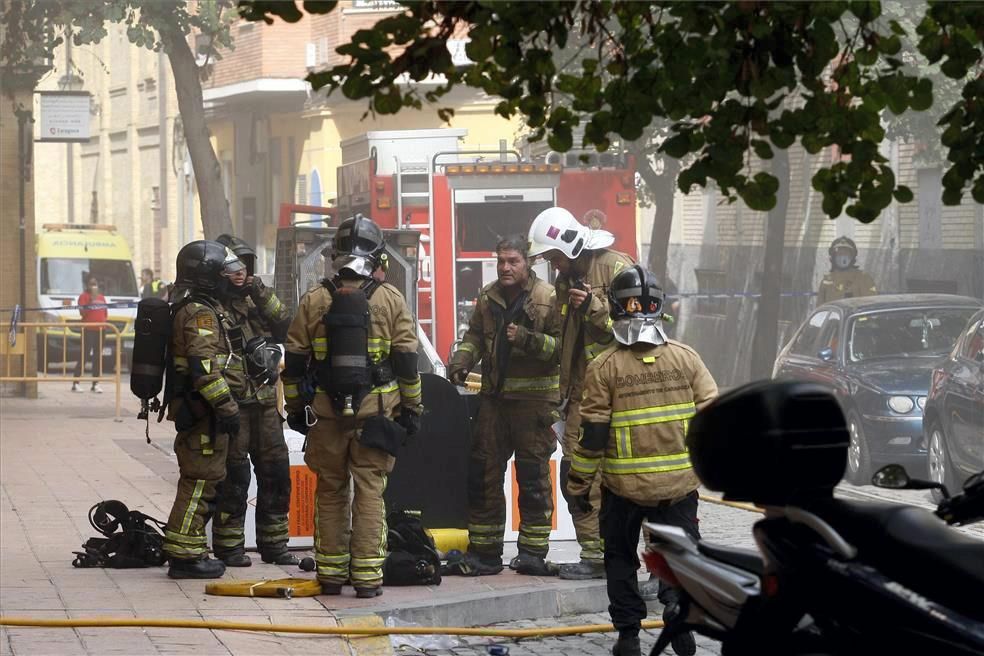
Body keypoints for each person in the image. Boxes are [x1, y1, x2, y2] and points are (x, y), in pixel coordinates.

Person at [566, 265, 718, 656]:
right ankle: (678, 614)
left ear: (615, 309)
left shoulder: (605, 366)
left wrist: (579, 487)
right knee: (680, 556)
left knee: (619, 559)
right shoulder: (687, 359)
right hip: (679, 489)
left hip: (622, 490)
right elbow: (715, 420)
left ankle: (629, 636)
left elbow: (592, 438)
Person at [282, 214, 422, 598]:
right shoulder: (390, 300)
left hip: (326, 414)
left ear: (335, 255)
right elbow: (408, 363)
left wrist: (296, 409)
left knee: (329, 490)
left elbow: (293, 363)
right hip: (376, 414)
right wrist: (412, 409)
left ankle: (329, 574)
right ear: (376, 258)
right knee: (370, 491)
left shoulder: (314, 300)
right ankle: (366, 578)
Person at [527, 206, 635, 580]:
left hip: (621, 394)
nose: (554, 267)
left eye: (555, 258)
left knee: (633, 476)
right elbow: (568, 343)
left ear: (571, 247)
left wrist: (594, 308)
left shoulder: (618, 269)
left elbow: (634, 331)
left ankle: (656, 561)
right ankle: (595, 555)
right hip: (581, 397)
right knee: (578, 474)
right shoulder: (565, 281)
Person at [446, 235, 561, 577]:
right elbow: (476, 337)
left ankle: (532, 554)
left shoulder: (548, 298)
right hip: (494, 402)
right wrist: (462, 361)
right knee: (483, 475)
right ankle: (485, 553)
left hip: (533, 405)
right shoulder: (489, 295)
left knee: (533, 480)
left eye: (513, 261)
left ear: (529, 263)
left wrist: (527, 339)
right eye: (501, 261)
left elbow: (561, 348)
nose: (506, 268)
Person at [161, 240, 248, 579]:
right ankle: (185, 556)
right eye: (223, 272)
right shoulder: (200, 312)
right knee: (200, 481)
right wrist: (226, 408)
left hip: (201, 411)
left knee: (203, 479)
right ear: (209, 277)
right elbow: (204, 369)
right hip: (203, 413)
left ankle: (189, 547)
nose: (229, 278)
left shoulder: (198, 305)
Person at [210, 234, 295, 567]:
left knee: (276, 472)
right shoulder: (211, 305)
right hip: (234, 406)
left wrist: (256, 289)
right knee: (235, 478)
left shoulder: (257, 299)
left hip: (265, 404)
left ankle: (275, 544)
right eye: (233, 266)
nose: (240, 272)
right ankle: (229, 547)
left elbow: (286, 325)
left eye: (245, 265)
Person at [817, 236, 877, 304]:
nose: (842, 256)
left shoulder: (863, 278)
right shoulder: (826, 281)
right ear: (833, 257)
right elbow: (820, 307)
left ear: (852, 256)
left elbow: (870, 304)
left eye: (846, 253)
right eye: (839, 254)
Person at [72, 276, 107, 393]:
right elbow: (82, 312)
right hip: (88, 330)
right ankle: (76, 383)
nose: (94, 285)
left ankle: (95, 383)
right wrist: (91, 301)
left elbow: (105, 313)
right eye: (91, 283)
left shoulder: (102, 297)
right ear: (87, 285)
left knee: (98, 357)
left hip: (101, 330)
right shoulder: (83, 297)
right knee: (84, 355)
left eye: (95, 283)